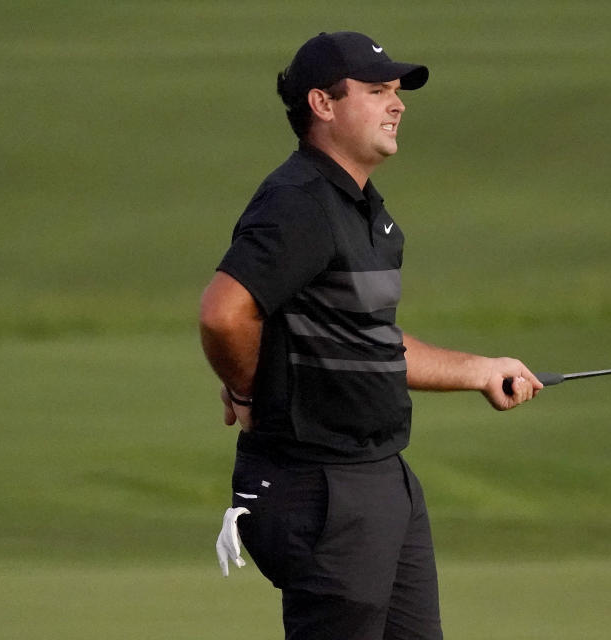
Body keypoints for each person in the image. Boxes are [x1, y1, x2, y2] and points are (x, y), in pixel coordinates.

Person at [200, 31, 542, 640]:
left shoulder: (361, 208)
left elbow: (365, 339)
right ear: (322, 105)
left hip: (382, 476)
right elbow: (224, 314)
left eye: (397, 91)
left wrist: (481, 369)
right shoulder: (299, 201)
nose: (398, 103)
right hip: (323, 486)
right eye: (378, 90)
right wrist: (250, 392)